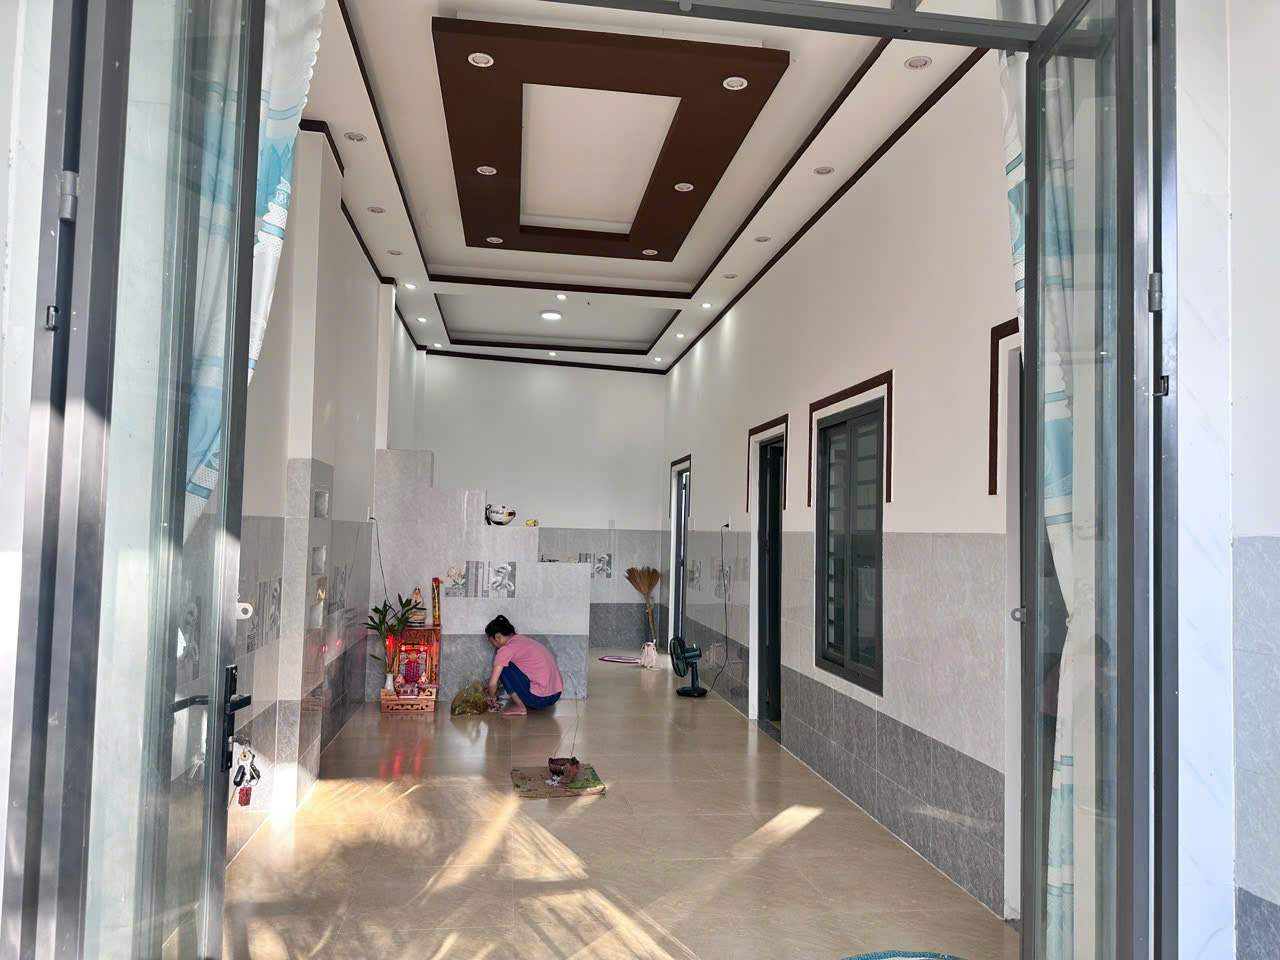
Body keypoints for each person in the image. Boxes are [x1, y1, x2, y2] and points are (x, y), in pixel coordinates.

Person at [484, 615, 563, 716]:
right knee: (505, 665)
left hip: (540, 700)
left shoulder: (506, 649)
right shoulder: (522, 640)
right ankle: (524, 702)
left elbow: (492, 684)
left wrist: (492, 697)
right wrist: (496, 685)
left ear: (498, 637)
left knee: (504, 668)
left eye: (491, 642)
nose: (493, 646)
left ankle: (520, 708)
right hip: (556, 694)